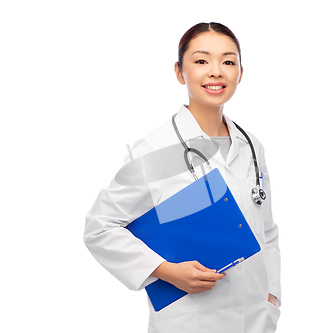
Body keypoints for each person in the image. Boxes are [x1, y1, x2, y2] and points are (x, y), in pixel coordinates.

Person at [84, 22, 281, 333]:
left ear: (240, 73)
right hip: (190, 320)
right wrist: (166, 271)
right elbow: (100, 227)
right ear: (179, 72)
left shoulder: (251, 145)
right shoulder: (156, 148)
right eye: (201, 61)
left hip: (256, 320)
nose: (216, 71)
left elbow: (267, 233)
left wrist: (272, 296)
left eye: (228, 61)